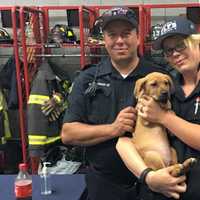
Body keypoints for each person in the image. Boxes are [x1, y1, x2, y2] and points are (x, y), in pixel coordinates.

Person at [61, 6, 174, 200]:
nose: (120, 40)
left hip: (154, 188)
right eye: (112, 35)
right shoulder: (87, 79)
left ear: (138, 37)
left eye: (126, 34)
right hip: (104, 188)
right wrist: (114, 129)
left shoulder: (160, 77)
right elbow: (68, 134)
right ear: (104, 40)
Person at [116, 17, 200, 200]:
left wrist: (163, 118)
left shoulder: (161, 99)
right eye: (169, 50)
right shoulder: (167, 86)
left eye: (181, 45)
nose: (175, 54)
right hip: (158, 192)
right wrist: (149, 176)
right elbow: (123, 142)